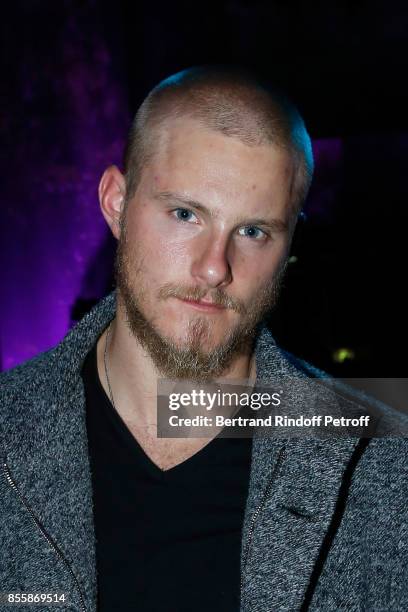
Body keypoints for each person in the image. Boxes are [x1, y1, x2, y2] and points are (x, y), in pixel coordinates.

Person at [1, 66, 407, 612]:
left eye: (253, 231)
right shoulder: (10, 425)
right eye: (185, 214)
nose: (215, 268)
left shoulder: (384, 462)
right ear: (116, 202)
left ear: (289, 246)